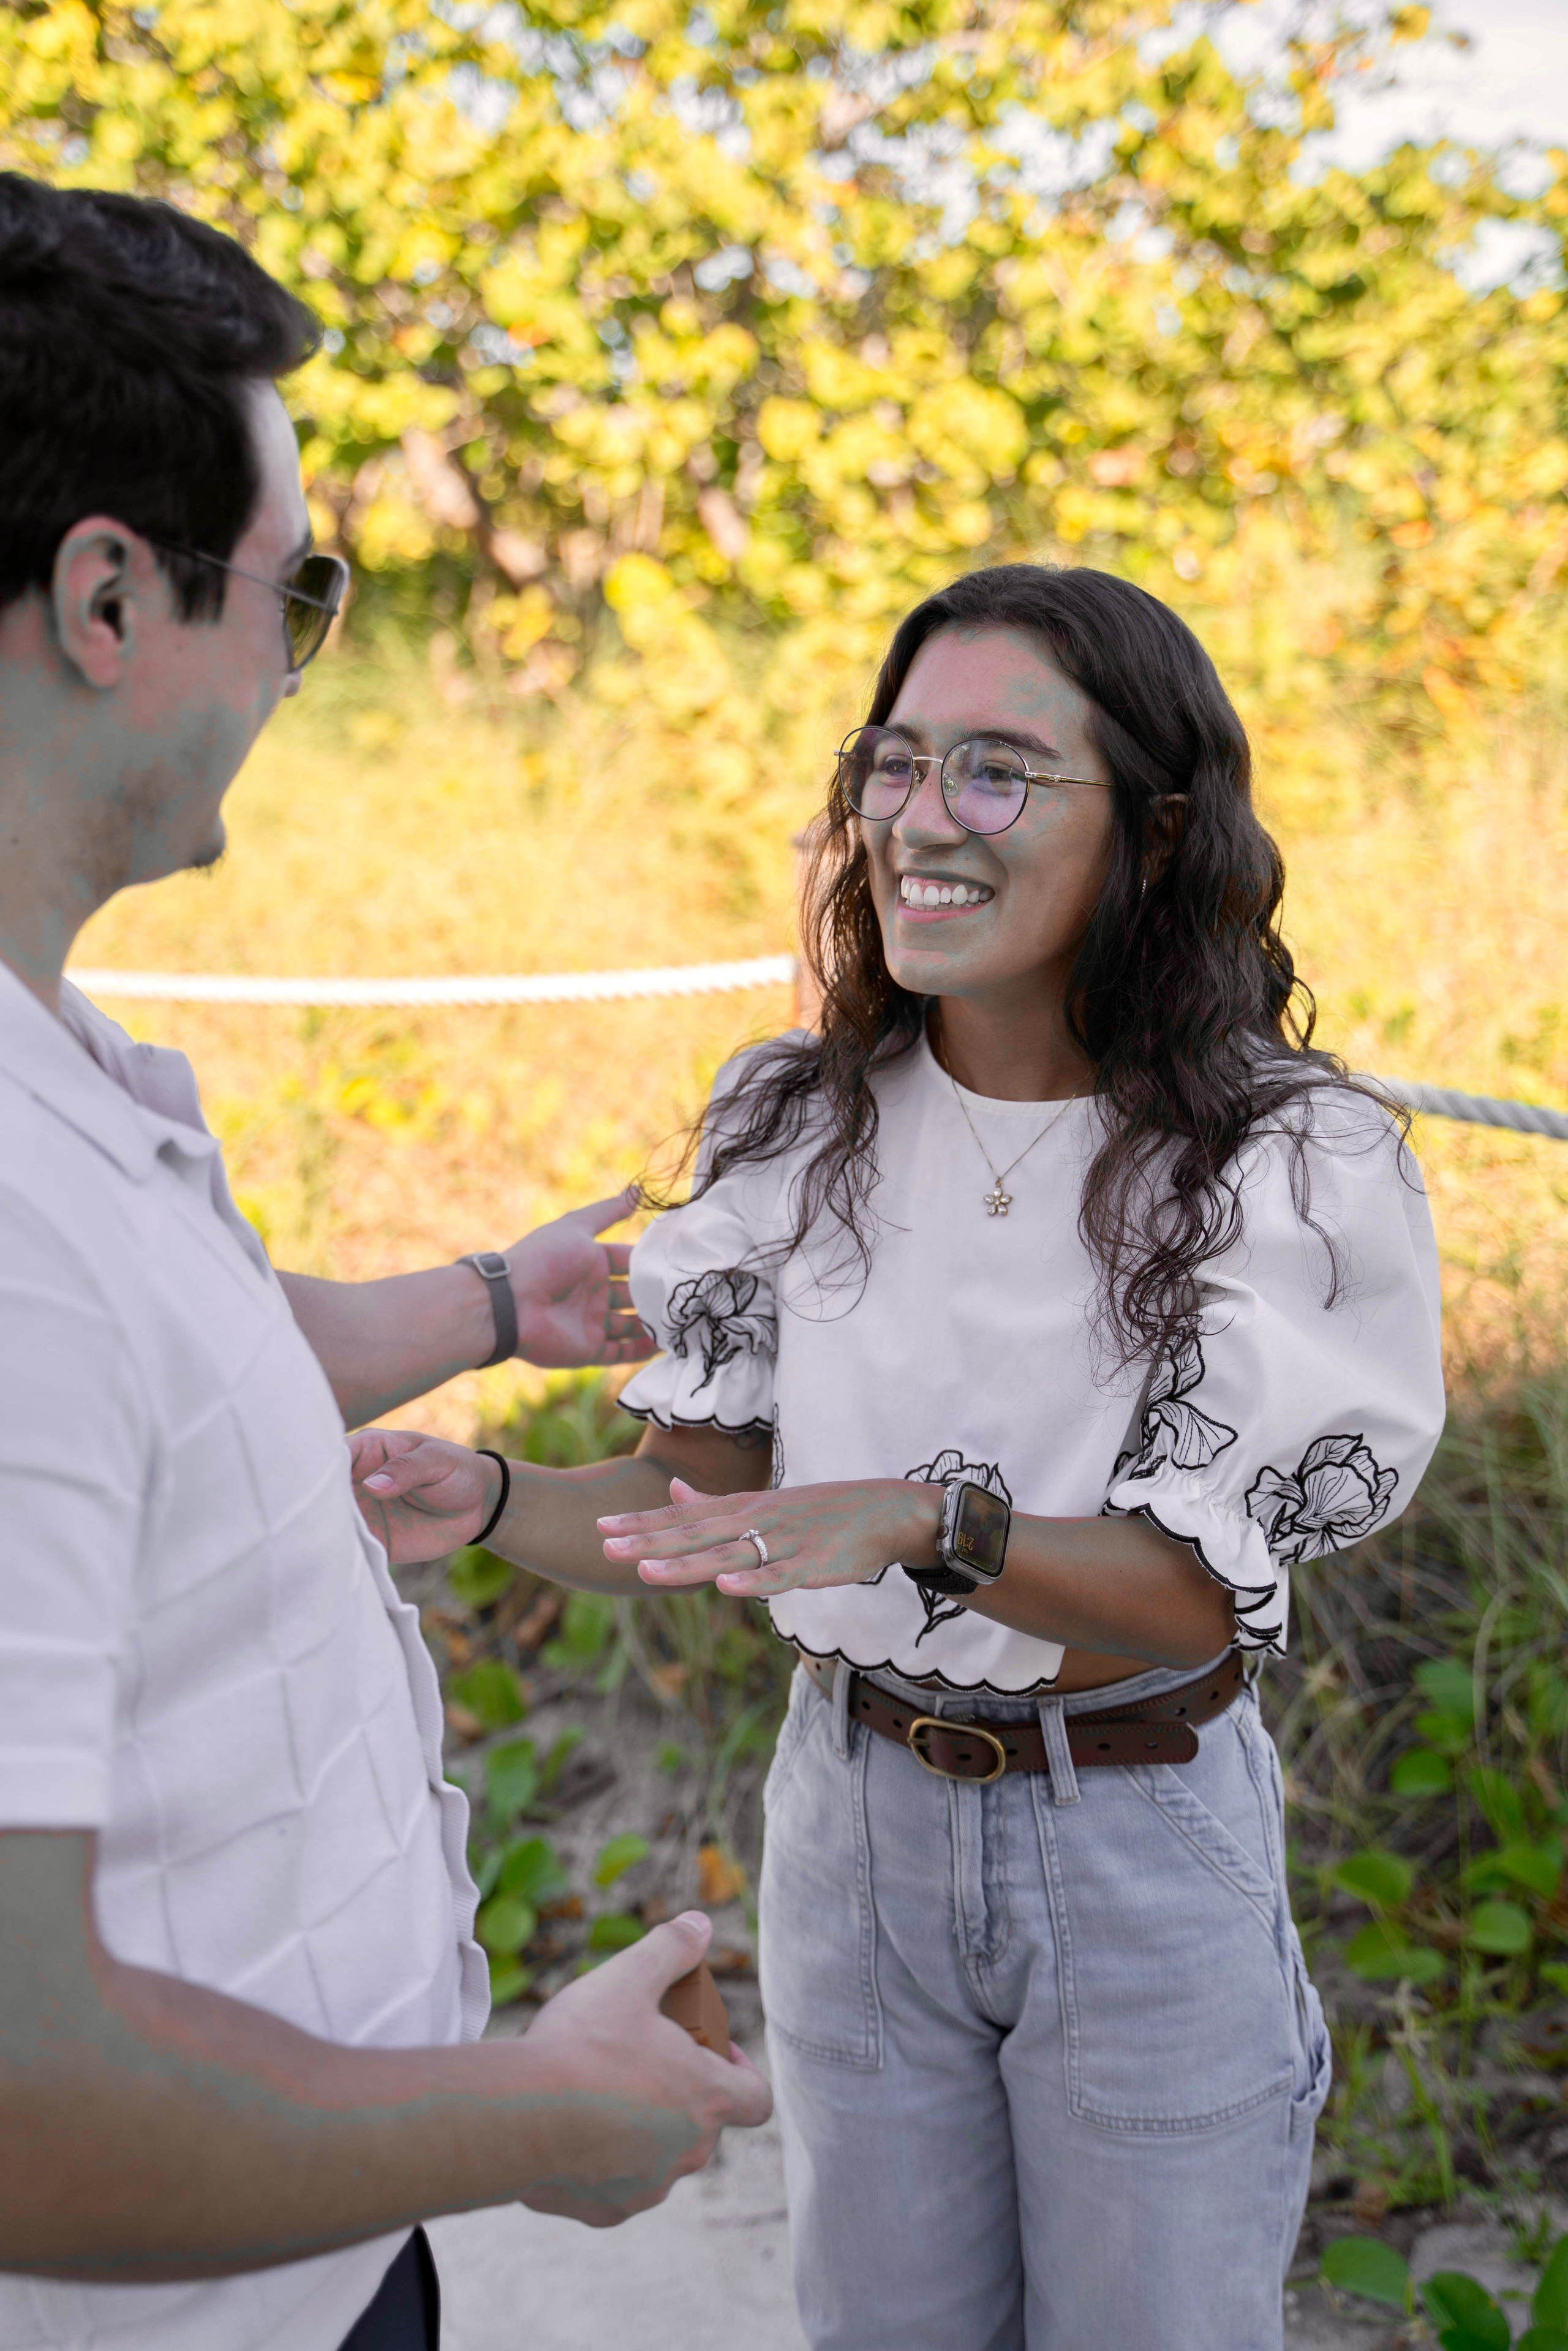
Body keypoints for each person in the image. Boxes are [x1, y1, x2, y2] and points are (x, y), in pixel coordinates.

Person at [352, 562, 1446, 2350]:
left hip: (1137, 1840)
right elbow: (690, 1517)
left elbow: (1178, 1604)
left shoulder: (1291, 1169)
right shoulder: (794, 1122)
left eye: (1001, 770)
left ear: (1160, 835)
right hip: (854, 1828)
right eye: (894, 763)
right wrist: (480, 1497)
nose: (922, 822)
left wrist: (928, 1524)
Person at [0, 172, 769, 2351]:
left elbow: (184, 1368)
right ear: (108, 599)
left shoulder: (65, 1074)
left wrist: (487, 1310)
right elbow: (25, 2099)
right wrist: (533, 2115)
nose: (300, 659)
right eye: (298, 588)